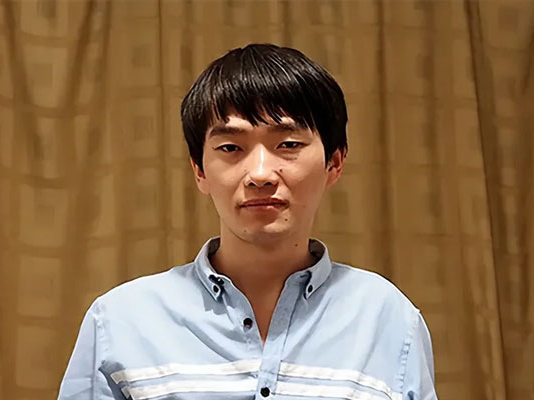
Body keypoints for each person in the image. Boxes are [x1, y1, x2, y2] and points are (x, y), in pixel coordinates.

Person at [58, 43, 438, 400]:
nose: (259, 174)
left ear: (334, 163)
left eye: (288, 144)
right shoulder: (119, 321)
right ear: (199, 170)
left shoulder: (389, 319)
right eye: (230, 148)